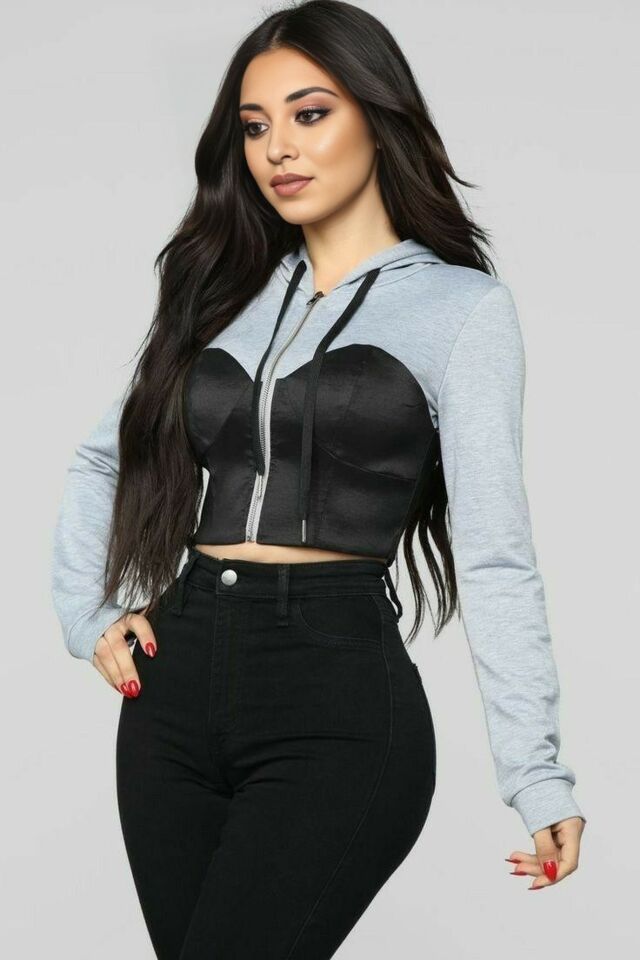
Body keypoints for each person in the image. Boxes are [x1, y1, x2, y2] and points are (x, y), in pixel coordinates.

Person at [51, 2, 586, 956]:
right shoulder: (220, 290)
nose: (277, 149)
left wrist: (535, 774)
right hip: (172, 699)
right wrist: (86, 613)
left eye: (310, 114)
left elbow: (496, 553)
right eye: (255, 126)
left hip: (334, 700)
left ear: (378, 115)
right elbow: (107, 456)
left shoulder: (462, 310)